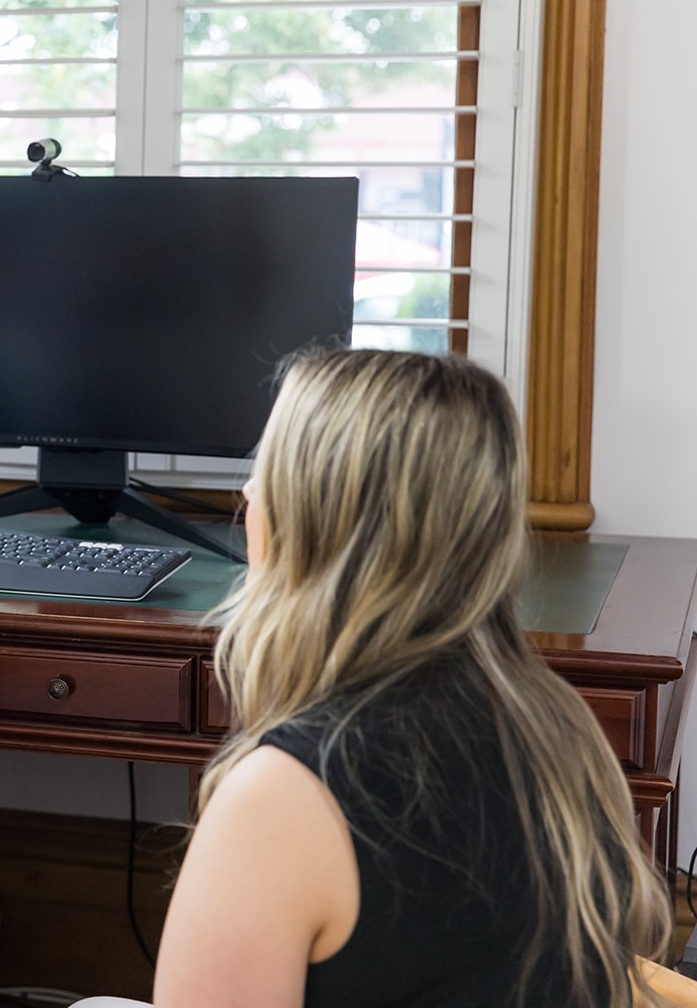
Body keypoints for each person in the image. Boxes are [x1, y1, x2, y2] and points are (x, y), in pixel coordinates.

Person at [150, 348, 672, 1007]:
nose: (248, 494)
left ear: (313, 516)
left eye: (266, 470)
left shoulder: (283, 797)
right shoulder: (563, 735)